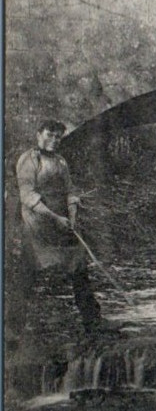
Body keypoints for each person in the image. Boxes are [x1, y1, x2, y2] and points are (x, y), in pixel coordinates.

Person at [10, 119, 102, 336]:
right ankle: (12, 327)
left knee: (79, 266)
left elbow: (70, 190)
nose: (53, 140)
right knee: (28, 273)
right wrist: (54, 217)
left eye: (58, 137)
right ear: (38, 134)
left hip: (61, 226)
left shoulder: (60, 161)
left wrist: (72, 213)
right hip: (37, 226)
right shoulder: (29, 160)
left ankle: (92, 321)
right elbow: (28, 196)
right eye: (49, 135)